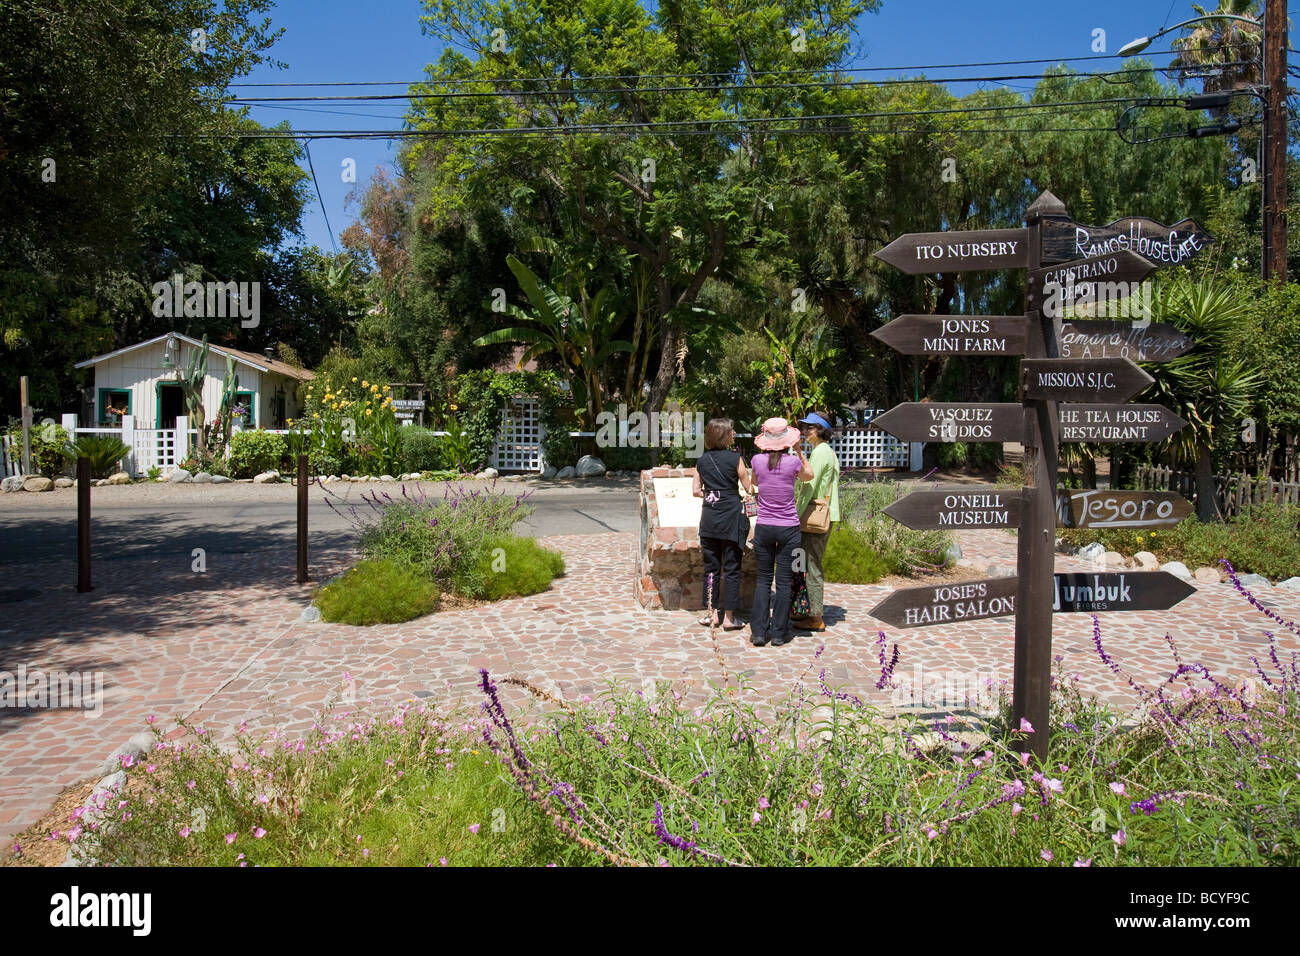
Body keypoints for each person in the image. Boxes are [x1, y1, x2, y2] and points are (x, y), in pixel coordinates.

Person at [748, 417, 813, 647]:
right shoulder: (793, 463)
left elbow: (754, 483)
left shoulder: (756, 460)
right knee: (784, 582)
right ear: (787, 440)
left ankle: (758, 632)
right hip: (788, 527)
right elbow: (809, 475)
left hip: (765, 526)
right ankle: (778, 633)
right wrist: (799, 451)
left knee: (763, 580)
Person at [693, 418, 754, 630]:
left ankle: (711, 614)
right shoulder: (736, 458)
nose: (734, 433)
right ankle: (729, 617)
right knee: (732, 568)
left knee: (711, 568)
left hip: (709, 519)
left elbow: (695, 490)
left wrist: (710, 494)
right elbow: (749, 487)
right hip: (731, 519)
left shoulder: (702, 461)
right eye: (731, 431)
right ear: (723, 435)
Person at [792, 412, 841, 632]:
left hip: (815, 516)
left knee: (810, 565)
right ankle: (808, 611)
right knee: (805, 563)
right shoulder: (825, 451)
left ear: (819, 430)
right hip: (821, 514)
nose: (805, 432)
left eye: (809, 428)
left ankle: (815, 616)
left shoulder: (821, 452)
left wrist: (796, 513)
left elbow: (809, 484)